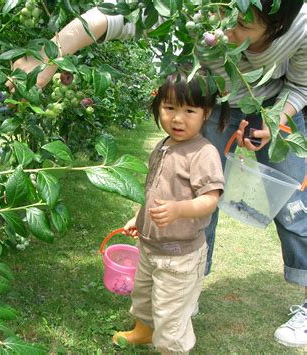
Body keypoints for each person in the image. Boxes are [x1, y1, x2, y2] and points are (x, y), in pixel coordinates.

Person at [10, 0, 307, 347]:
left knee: (295, 208)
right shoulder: (196, 9)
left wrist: (275, 120)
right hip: (210, 103)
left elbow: (300, 87)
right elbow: (112, 15)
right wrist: (48, 57)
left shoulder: (300, 25)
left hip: (272, 105)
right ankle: (184, 293)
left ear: (275, 28)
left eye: (242, 24)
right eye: (223, 15)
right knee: (190, 195)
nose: (225, 32)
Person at [110, 65, 227, 354]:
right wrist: (139, 217)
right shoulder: (163, 146)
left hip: (180, 256)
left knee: (171, 317)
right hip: (150, 247)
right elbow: (153, 191)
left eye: (189, 111)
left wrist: (179, 209)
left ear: (206, 114)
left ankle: (171, 349)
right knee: (145, 298)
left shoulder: (203, 153)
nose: (177, 118)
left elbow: (210, 199)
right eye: (170, 107)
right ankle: (143, 331)